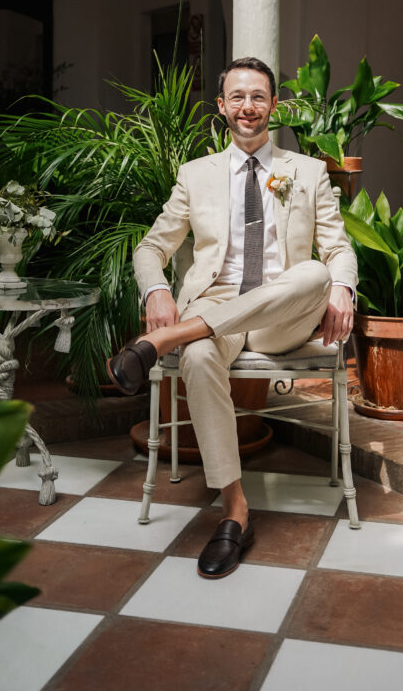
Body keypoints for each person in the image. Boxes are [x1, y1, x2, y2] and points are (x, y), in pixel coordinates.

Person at [107, 57, 357, 578]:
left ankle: (170, 337)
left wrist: (343, 286)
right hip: (213, 305)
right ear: (222, 107)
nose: (249, 107)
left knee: (314, 271)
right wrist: (156, 288)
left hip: (280, 315)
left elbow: (339, 249)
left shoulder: (306, 172)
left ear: (274, 106)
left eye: (259, 96)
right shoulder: (195, 176)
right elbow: (151, 247)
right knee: (198, 355)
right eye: (237, 97)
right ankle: (235, 510)